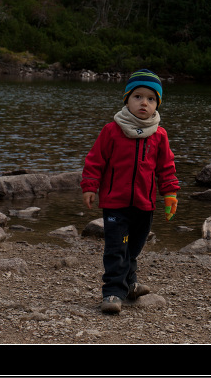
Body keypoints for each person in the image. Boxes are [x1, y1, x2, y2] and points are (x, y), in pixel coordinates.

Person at [81, 69, 179, 313]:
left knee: (134, 247)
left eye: (151, 98)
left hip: (144, 204)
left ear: (157, 104)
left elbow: (166, 168)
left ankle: (130, 283)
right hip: (116, 203)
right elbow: (95, 161)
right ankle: (113, 292)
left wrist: (170, 194)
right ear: (127, 99)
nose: (144, 102)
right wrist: (90, 186)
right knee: (116, 247)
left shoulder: (159, 134)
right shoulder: (112, 130)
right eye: (138, 96)